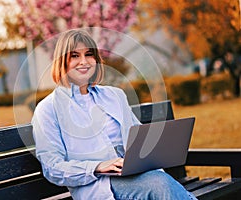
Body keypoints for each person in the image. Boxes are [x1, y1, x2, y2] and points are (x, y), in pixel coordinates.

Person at [32, 29, 196, 200]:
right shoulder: (48, 109)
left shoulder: (114, 95)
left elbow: (138, 137)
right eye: (74, 56)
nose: (84, 62)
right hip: (99, 185)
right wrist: (98, 166)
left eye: (89, 54)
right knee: (159, 184)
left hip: (138, 176)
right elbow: (53, 168)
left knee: (159, 183)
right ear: (61, 62)